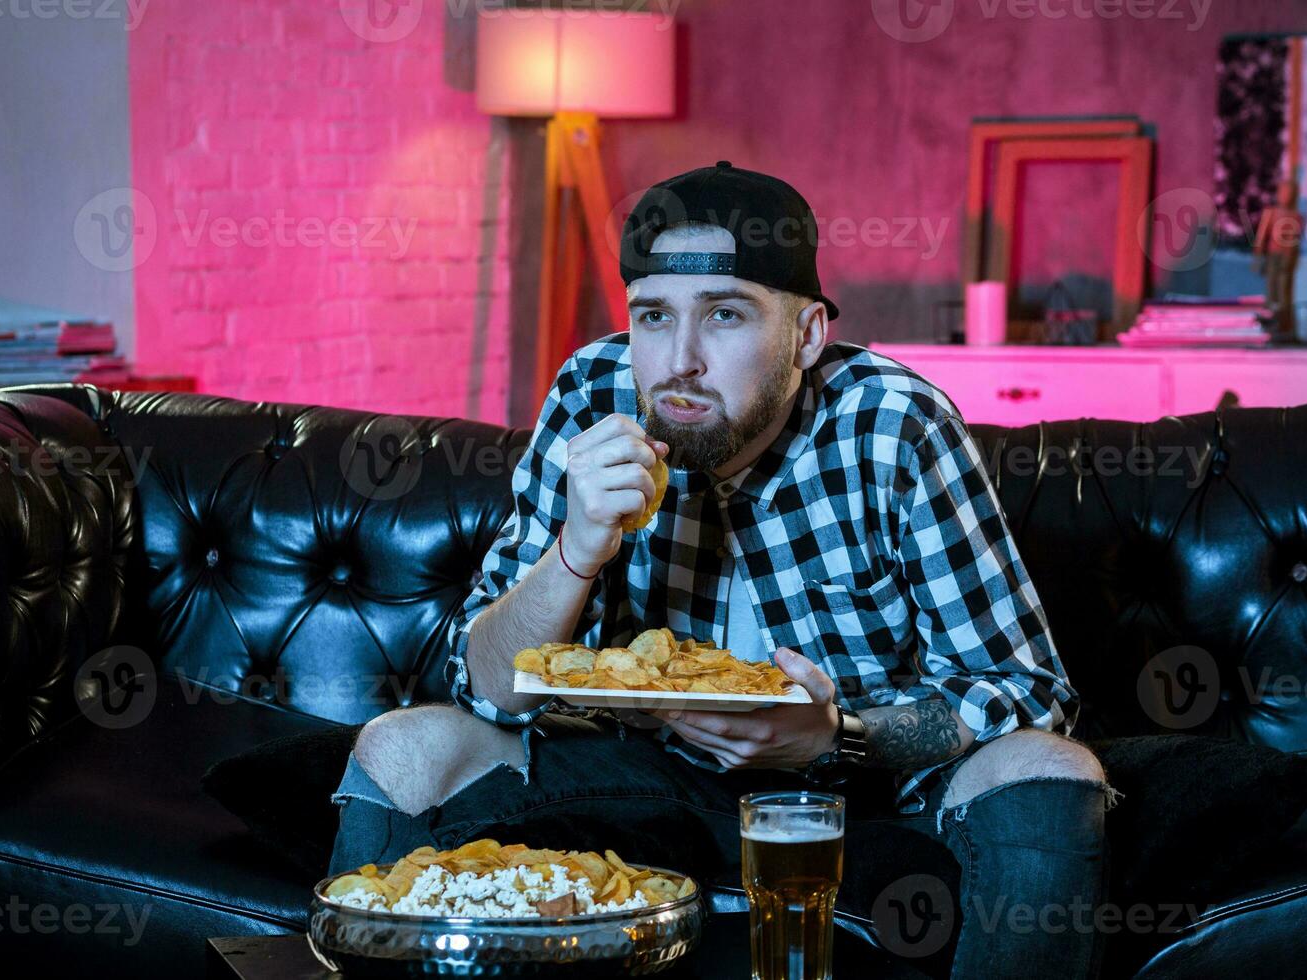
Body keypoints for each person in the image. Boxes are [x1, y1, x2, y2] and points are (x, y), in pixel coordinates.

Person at [329, 161, 1111, 978]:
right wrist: (577, 548)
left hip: (859, 799)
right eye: (654, 317)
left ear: (807, 335)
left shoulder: (892, 426)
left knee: (1051, 768)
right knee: (403, 745)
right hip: (642, 778)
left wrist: (834, 735)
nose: (681, 362)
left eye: (726, 315)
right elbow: (485, 685)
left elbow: (1026, 692)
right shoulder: (594, 394)